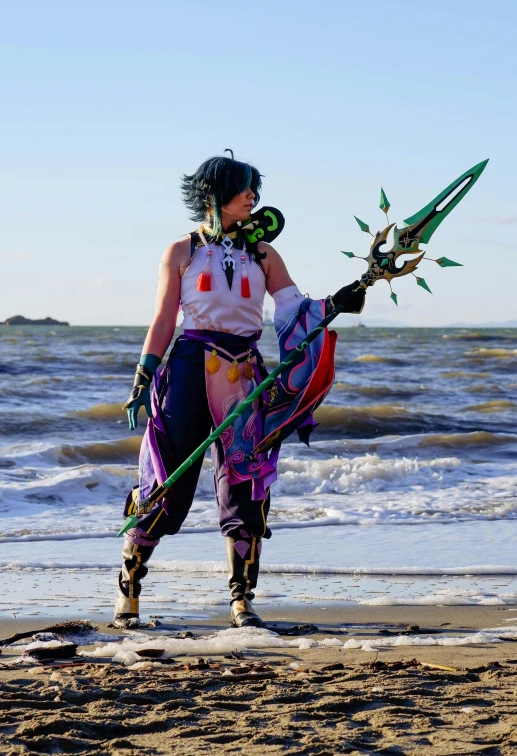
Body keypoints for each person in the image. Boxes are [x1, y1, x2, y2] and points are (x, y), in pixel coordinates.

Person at [114, 151, 366, 629]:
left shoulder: (264, 254)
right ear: (215, 195)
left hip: (244, 372)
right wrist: (142, 379)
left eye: (255, 189)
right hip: (188, 369)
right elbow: (165, 317)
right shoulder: (181, 251)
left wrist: (339, 301)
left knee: (245, 482)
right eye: (244, 188)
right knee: (168, 483)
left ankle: (241, 601)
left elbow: (293, 308)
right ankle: (130, 589)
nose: (253, 196)